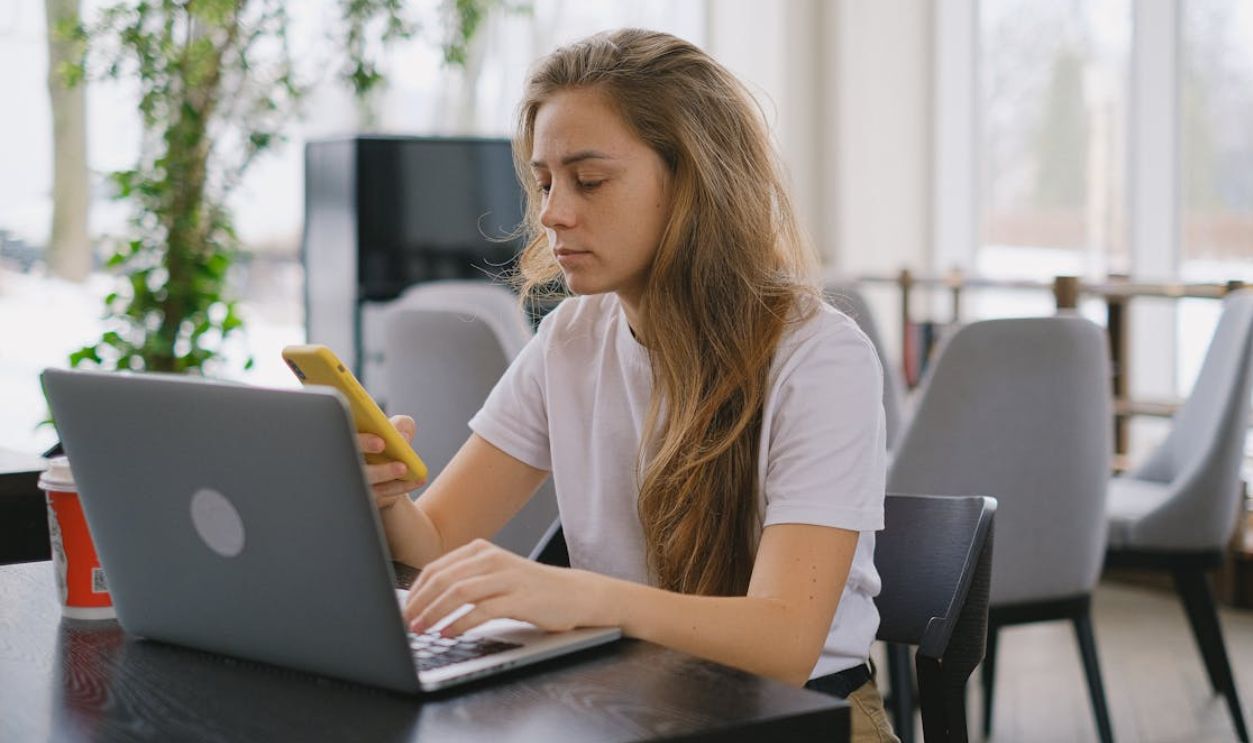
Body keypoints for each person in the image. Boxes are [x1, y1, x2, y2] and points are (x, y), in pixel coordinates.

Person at [360, 29, 894, 740]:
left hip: (801, 717)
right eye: (544, 180)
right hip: (632, 700)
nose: (552, 211)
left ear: (692, 181)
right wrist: (388, 495)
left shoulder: (817, 355)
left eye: (589, 179)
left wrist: (575, 596)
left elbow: (783, 642)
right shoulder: (571, 339)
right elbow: (433, 541)